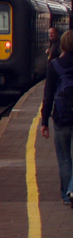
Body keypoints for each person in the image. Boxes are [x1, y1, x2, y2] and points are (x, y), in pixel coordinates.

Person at [41, 29, 73, 204]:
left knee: (64, 157)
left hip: (61, 117)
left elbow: (48, 95)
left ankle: (67, 195)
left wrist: (44, 121)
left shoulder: (54, 65)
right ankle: (71, 190)